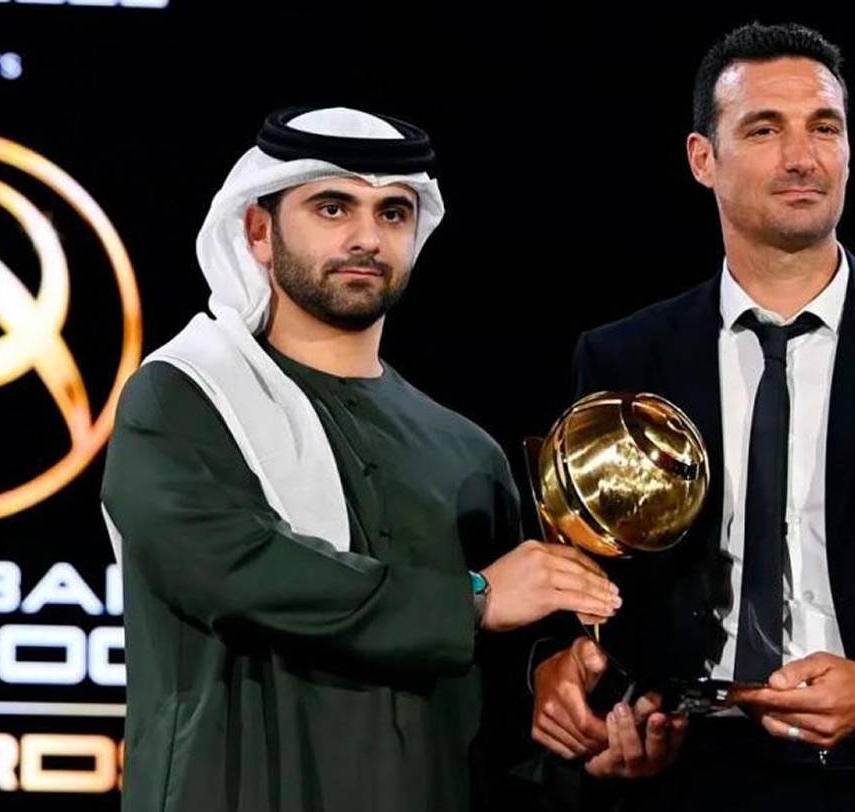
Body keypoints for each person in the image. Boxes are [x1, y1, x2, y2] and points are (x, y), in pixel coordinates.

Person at [529, 23, 855, 811]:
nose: (802, 156)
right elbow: (589, 580)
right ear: (701, 159)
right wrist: (586, 684)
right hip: (698, 776)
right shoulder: (624, 358)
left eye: (825, 127)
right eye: (764, 128)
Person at [100, 106, 621, 812]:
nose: (367, 238)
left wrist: (568, 695)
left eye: (394, 214)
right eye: (333, 206)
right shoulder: (184, 397)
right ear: (259, 230)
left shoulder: (466, 451)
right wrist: (473, 599)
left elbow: (502, 697)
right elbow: (236, 573)